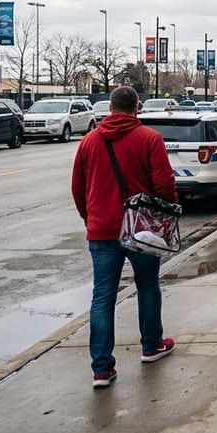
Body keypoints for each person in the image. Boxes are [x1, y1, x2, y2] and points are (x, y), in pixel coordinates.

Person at [71, 86, 178, 388]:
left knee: (102, 297)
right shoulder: (149, 139)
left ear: (110, 108)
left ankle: (102, 369)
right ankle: (151, 346)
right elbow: (164, 184)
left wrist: (90, 219)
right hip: (141, 231)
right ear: (136, 108)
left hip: (101, 230)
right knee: (147, 287)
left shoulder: (89, 141)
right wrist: (164, 218)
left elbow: (78, 188)